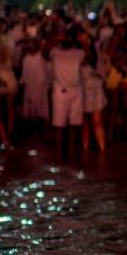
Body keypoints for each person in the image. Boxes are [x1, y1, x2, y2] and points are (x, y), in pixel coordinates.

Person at [49, 26, 85, 157]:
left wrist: (84, 42)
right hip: (60, 90)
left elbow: (89, 59)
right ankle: (59, 151)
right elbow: (44, 52)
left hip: (76, 90)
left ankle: (70, 149)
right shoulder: (55, 51)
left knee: (74, 123)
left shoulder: (78, 52)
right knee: (59, 123)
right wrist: (54, 39)